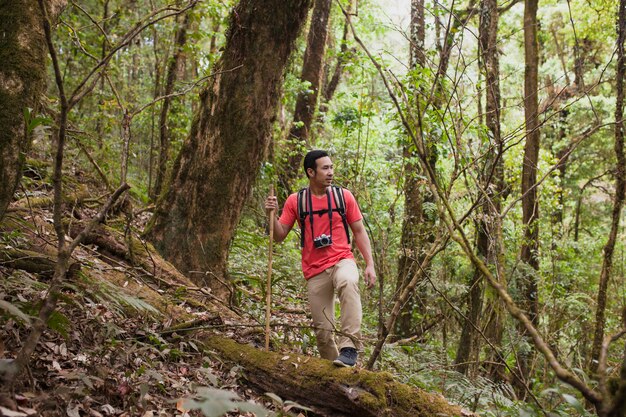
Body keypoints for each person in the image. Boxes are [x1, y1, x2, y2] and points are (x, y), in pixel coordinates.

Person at [265, 150, 376, 367]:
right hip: (314, 270)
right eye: (325, 168)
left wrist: (370, 263)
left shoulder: (344, 197)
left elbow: (359, 231)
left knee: (348, 281)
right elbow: (279, 235)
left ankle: (349, 348)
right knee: (323, 335)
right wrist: (272, 214)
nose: (330, 172)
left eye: (331, 167)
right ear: (310, 172)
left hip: (342, 259)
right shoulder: (296, 201)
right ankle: (337, 375)